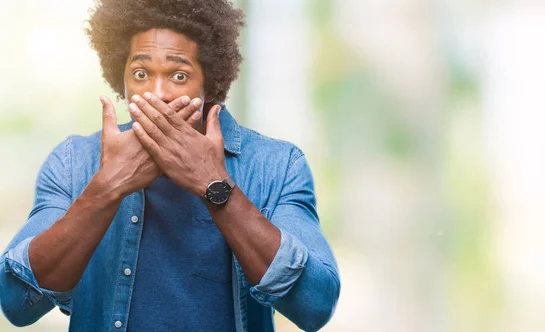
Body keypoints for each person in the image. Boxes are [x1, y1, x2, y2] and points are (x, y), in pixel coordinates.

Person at [0, 0, 340, 331]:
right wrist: (106, 189)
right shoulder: (74, 162)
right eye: (141, 73)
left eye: (178, 75)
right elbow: (16, 303)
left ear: (211, 82)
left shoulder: (277, 166)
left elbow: (314, 307)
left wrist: (214, 183)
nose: (156, 94)